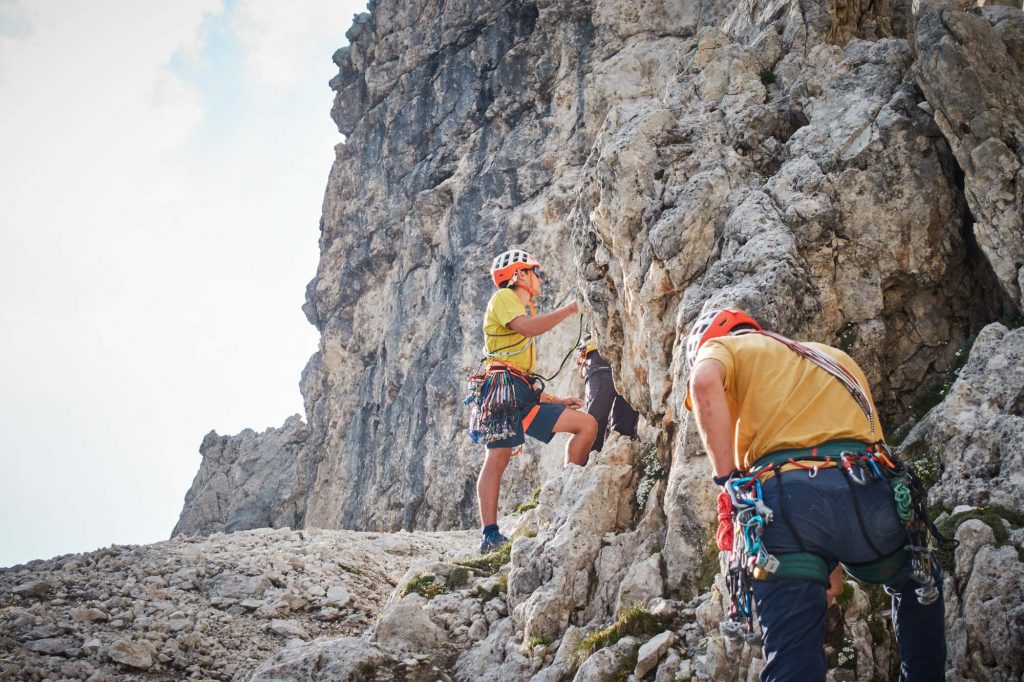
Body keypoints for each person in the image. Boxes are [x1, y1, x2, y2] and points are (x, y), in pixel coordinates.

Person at [685, 307, 946, 682]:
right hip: (869, 491)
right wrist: (829, 570)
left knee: (792, 657)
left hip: (787, 507)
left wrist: (727, 480)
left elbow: (704, 381)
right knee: (915, 579)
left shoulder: (724, 347)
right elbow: (837, 465)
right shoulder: (832, 356)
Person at [469, 249, 597, 554]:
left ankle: (566, 494)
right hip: (502, 389)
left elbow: (523, 376)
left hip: (519, 391)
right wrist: (570, 309)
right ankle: (489, 534)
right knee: (497, 457)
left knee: (586, 425)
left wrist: (556, 400)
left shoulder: (519, 307)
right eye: (533, 271)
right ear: (519, 275)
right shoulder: (504, 298)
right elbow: (527, 329)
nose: (538, 277)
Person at [576, 338, 639, 451]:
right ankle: (589, 456)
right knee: (596, 422)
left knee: (621, 427)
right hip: (603, 355)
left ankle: (614, 450)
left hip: (624, 352)